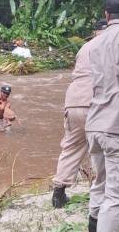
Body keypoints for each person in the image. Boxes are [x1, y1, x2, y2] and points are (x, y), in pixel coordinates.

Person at [51, 19, 107, 209]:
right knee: (103, 147)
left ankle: (58, 193)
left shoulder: (84, 48)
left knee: (72, 146)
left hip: (74, 101)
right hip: (97, 101)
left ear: (95, 31)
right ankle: (100, 192)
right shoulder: (112, 43)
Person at [85, 0, 119, 232]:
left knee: (100, 182)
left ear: (106, 15)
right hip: (114, 126)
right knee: (115, 196)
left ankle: (92, 225)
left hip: (94, 122)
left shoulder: (93, 43)